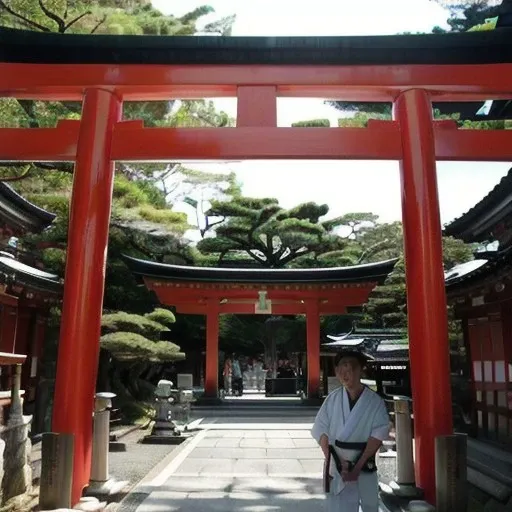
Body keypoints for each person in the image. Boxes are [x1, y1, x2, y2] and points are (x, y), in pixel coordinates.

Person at [311, 350, 390, 512]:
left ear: (361, 369)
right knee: (337, 506)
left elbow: (378, 435)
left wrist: (356, 467)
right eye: (342, 370)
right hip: (337, 463)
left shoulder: (374, 402)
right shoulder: (332, 399)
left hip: (363, 463)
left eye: (351, 369)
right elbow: (320, 430)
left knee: (368, 504)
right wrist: (337, 462)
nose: (346, 375)